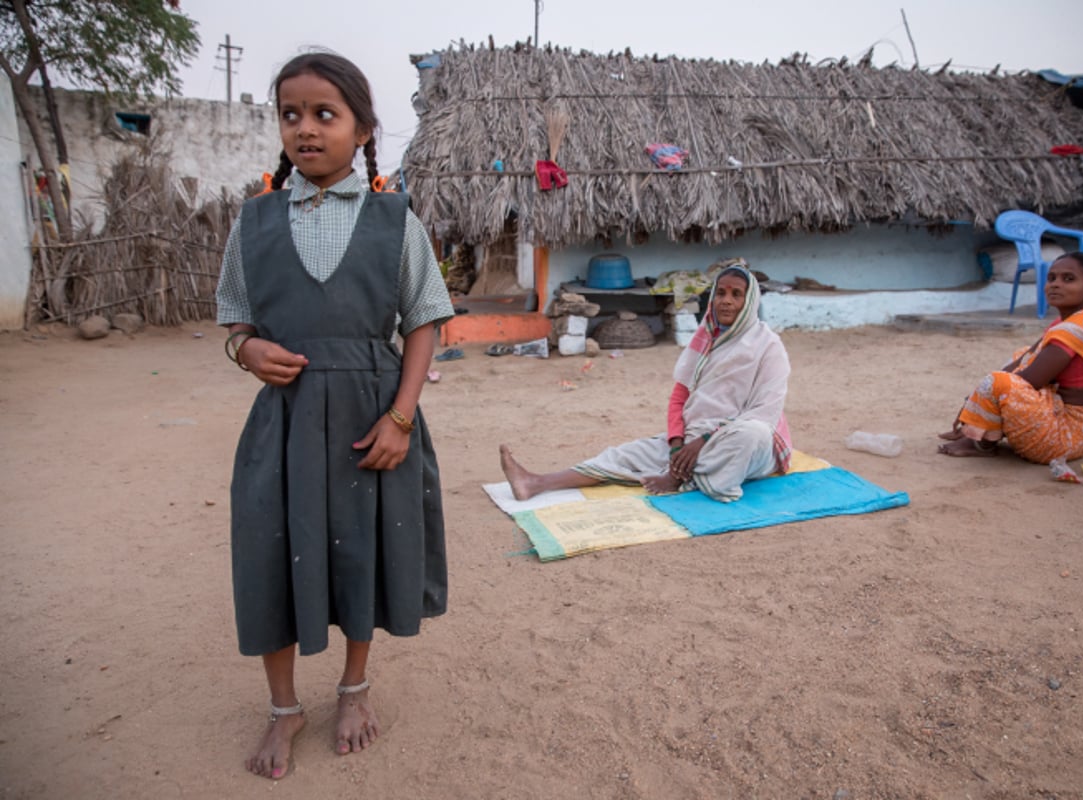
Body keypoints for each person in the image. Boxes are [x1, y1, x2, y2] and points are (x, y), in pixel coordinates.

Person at [215, 51, 454, 780]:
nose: (306, 129)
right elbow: (236, 322)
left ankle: (353, 688)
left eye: (326, 114)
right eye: (292, 114)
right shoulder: (254, 222)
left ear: (362, 129)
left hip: (370, 418)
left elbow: (422, 321)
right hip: (282, 426)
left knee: (361, 551)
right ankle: (284, 707)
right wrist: (246, 350)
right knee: (269, 554)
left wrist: (402, 419)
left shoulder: (393, 219)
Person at [501, 262, 792, 503]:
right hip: (695, 437)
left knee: (750, 434)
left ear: (750, 300)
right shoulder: (705, 339)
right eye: (721, 293)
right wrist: (678, 446)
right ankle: (536, 483)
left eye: (736, 294)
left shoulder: (768, 346)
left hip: (746, 443)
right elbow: (679, 399)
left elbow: (764, 414)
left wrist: (701, 443)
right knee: (626, 454)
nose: (726, 301)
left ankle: (679, 475)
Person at [937, 252, 1083, 462]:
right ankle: (980, 430)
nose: (1056, 285)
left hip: (1066, 437)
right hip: (1082, 431)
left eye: (1068, 279)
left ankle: (982, 442)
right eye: (1051, 278)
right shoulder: (1076, 322)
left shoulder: (1074, 331)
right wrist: (974, 406)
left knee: (1000, 382)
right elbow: (1025, 359)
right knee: (1023, 355)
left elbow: (1030, 380)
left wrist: (979, 407)